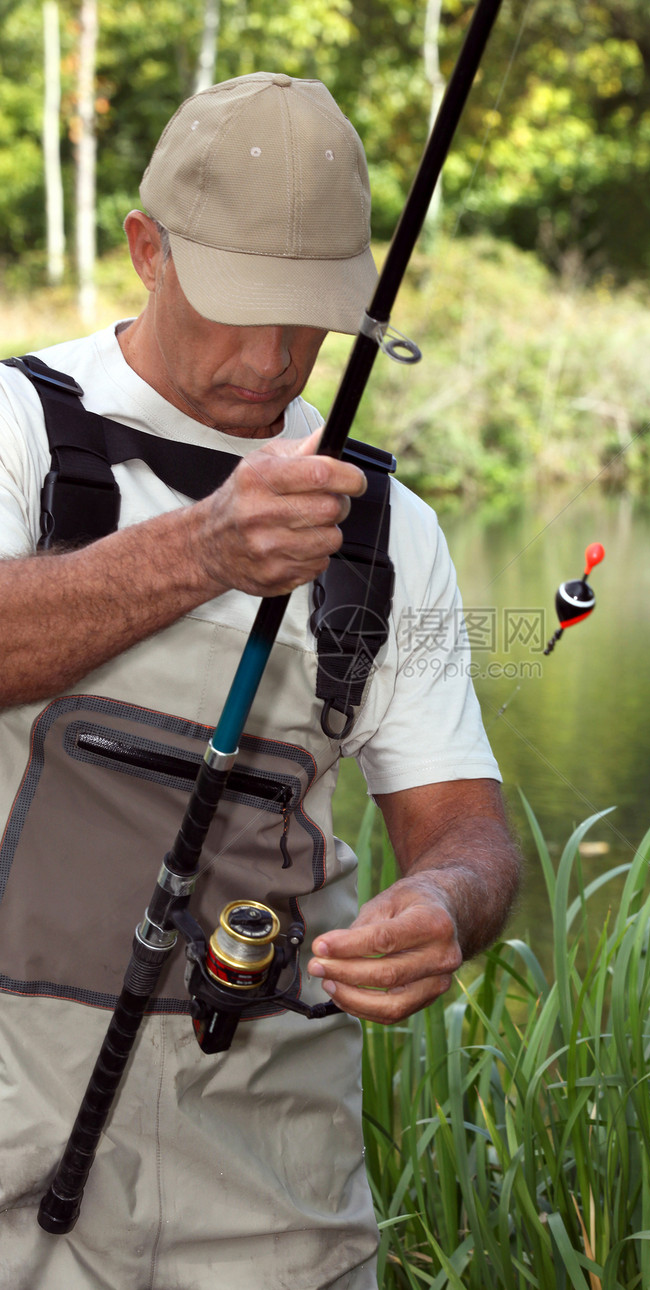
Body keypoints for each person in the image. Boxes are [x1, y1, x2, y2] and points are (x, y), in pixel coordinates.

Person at [0, 71, 520, 1289]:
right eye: (239, 309)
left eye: (308, 321)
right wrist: (201, 548)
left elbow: (469, 834)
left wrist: (442, 907)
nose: (272, 358)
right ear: (145, 250)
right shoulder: (14, 431)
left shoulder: (394, 533)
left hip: (277, 1204)